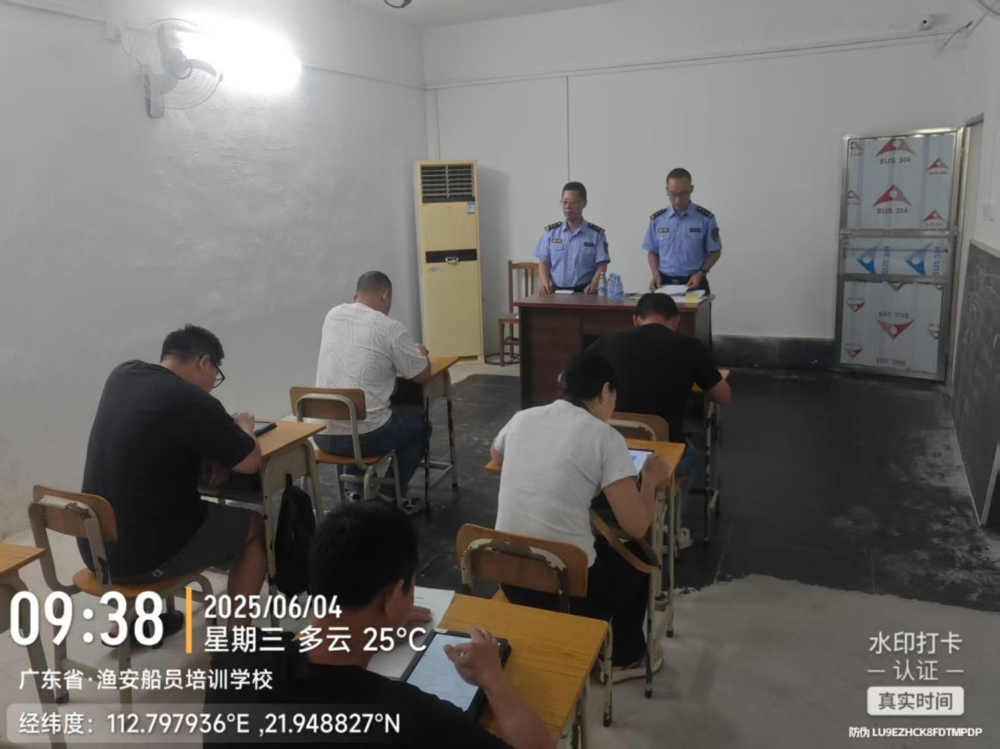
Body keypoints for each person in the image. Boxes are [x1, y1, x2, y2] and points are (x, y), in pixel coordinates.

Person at [206, 502, 554, 749]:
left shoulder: (233, 658)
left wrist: (371, 633)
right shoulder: (412, 720)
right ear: (390, 599)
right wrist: (493, 677)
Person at [489, 352, 671, 681]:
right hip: (569, 589)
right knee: (637, 557)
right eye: (613, 395)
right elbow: (636, 526)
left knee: (594, 543)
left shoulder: (523, 418)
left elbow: (496, 454)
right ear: (604, 391)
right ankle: (625, 658)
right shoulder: (605, 437)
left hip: (511, 575)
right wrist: (650, 480)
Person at [79, 325, 266, 631]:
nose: (213, 384)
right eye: (216, 375)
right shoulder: (191, 399)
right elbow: (249, 462)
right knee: (256, 527)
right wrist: (246, 427)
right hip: (142, 556)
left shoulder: (122, 375)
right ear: (204, 362)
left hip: (95, 549)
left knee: (140, 504)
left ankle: (131, 622)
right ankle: (238, 637)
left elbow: (152, 440)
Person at [588, 293, 731, 547]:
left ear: (636, 319)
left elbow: (566, 379)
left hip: (609, 448)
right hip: (659, 453)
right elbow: (723, 396)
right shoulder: (690, 347)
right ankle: (668, 529)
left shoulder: (609, 341)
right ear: (676, 321)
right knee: (690, 455)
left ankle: (608, 519)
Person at [314, 271, 432, 515]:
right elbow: (421, 375)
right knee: (419, 425)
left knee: (358, 415)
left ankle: (355, 491)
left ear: (355, 297)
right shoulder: (390, 328)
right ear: (385, 294)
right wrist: (419, 352)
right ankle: (391, 495)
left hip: (322, 433)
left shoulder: (333, 315)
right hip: (366, 437)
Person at [643, 167, 722, 292]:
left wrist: (702, 272)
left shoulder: (705, 219)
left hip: (695, 281)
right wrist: (655, 273)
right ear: (666, 190)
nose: (678, 200)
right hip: (664, 281)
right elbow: (652, 251)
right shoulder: (658, 219)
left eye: (683, 193)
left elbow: (715, 251)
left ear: (691, 189)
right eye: (673, 194)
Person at [534, 182, 610, 294]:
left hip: (586, 293)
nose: (567, 207)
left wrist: (594, 283)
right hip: (556, 293)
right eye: (564, 202)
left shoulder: (596, 235)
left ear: (584, 204)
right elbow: (543, 262)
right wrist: (545, 284)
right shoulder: (551, 233)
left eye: (573, 202)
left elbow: (602, 264)